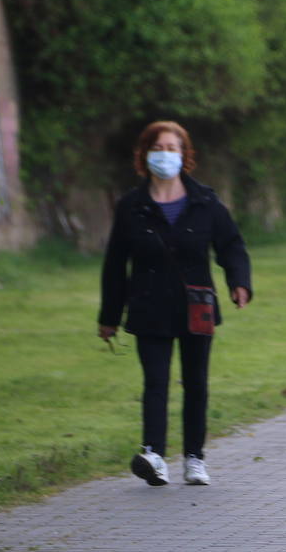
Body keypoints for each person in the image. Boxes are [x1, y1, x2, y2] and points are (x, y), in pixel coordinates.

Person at [98, 120, 253, 487]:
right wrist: (109, 317)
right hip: (149, 304)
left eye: (172, 148)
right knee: (155, 381)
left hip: (195, 305)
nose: (165, 154)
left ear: (184, 155)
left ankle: (195, 459)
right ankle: (153, 454)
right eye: (158, 148)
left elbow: (231, 245)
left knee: (196, 383)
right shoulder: (131, 207)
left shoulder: (205, 202)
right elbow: (115, 264)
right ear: (144, 155)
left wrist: (239, 282)